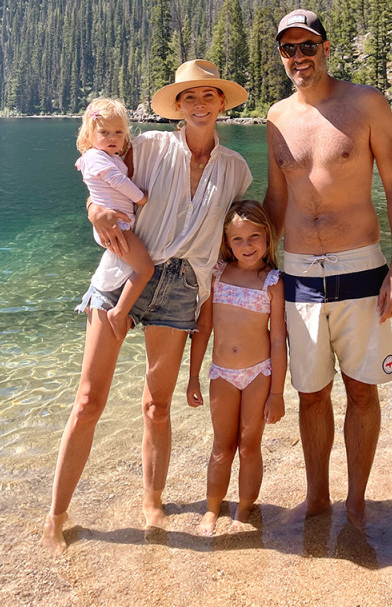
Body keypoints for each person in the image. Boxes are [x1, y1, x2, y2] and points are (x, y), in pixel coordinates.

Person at [41, 61, 252, 551]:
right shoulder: (149, 146)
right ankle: (56, 513)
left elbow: (232, 235)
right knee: (88, 401)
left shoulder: (236, 169)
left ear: (221, 102)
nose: (199, 104)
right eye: (189, 96)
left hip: (182, 286)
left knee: (157, 406)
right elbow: (102, 182)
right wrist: (94, 213)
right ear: (177, 106)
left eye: (209, 95)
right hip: (123, 272)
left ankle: (152, 501)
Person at [263, 9, 392, 530]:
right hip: (299, 272)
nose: (299, 57)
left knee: (362, 390)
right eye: (289, 49)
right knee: (310, 393)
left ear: (326, 49)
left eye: (308, 46)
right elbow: (276, 198)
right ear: (281, 56)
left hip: (360, 266)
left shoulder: (366, 103)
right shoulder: (276, 118)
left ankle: (356, 501)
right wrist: (256, 267)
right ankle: (317, 498)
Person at [186, 200, 286, 535]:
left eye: (254, 236)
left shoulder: (272, 282)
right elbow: (204, 328)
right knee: (222, 445)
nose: (247, 245)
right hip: (222, 374)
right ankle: (212, 508)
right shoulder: (218, 274)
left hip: (259, 373)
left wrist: (277, 394)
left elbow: (278, 341)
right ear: (227, 243)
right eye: (238, 239)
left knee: (249, 445)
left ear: (267, 237)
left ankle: (243, 510)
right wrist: (193, 377)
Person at [74, 98, 154, 341]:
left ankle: (107, 303)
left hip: (117, 224)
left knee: (134, 266)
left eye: (118, 132)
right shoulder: (96, 157)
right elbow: (118, 182)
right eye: (104, 132)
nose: (112, 138)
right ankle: (119, 312)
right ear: (89, 134)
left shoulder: (110, 157)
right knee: (145, 268)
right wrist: (141, 198)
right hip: (114, 227)